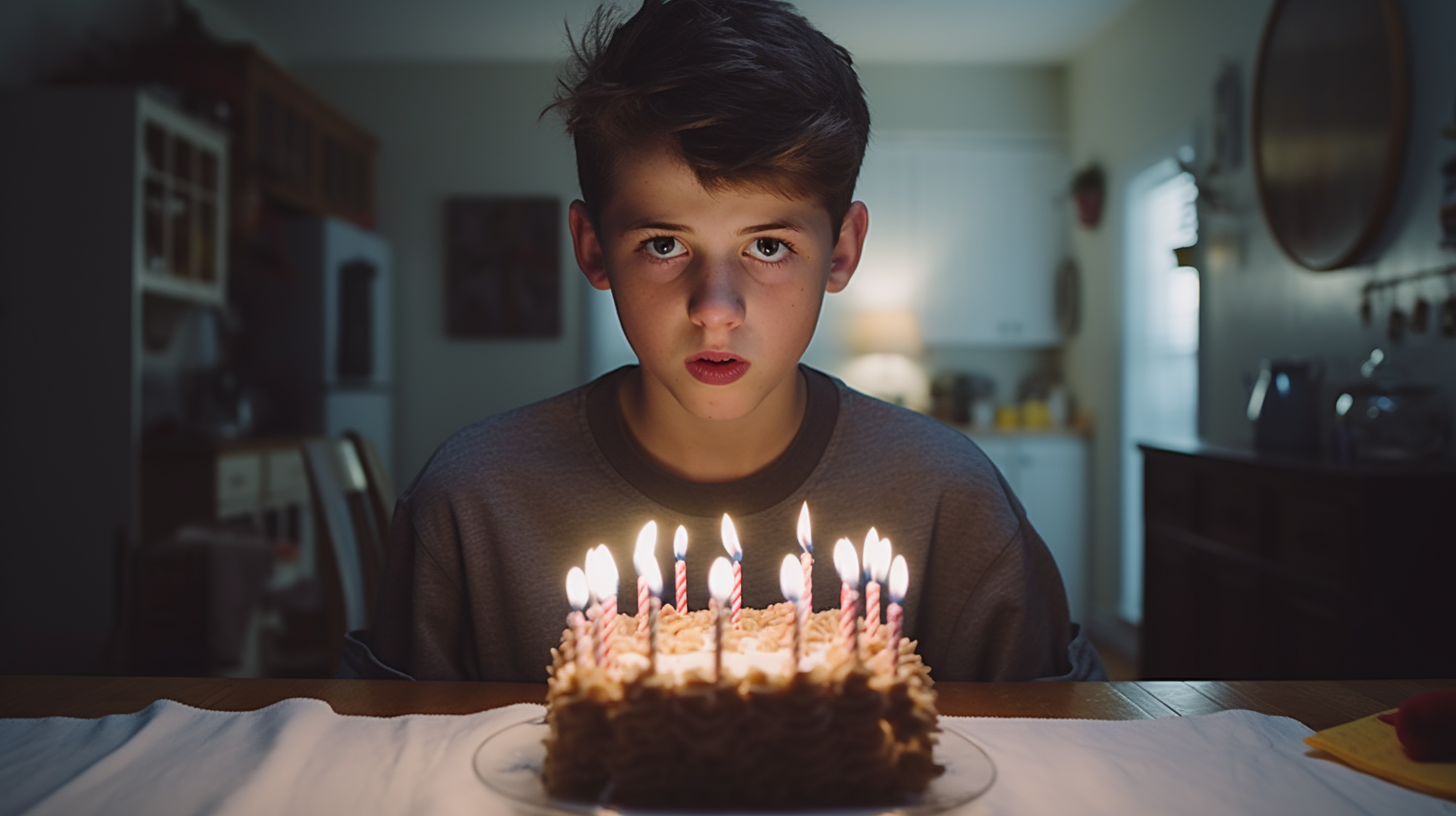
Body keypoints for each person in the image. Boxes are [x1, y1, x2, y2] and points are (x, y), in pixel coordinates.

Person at [343, 0, 1104, 683]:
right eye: (665, 244)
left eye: (768, 247)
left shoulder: (952, 503)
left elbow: (1055, 767)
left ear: (841, 250)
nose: (715, 311)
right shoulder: (471, 505)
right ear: (593, 248)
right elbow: (392, 772)